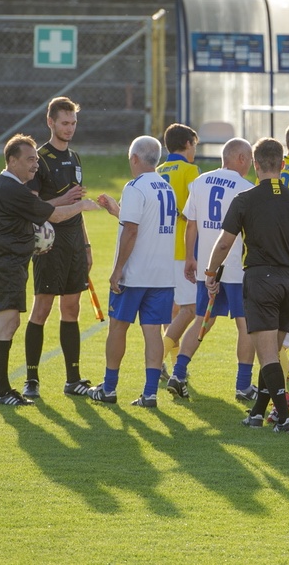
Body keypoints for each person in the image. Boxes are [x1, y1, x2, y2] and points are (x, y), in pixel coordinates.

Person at [204, 137, 289, 433]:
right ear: (282, 164)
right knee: (271, 356)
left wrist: (210, 272)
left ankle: (285, 419)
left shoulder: (245, 200)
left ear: (255, 164)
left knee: (266, 357)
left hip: (261, 281)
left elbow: (225, 243)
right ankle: (256, 414)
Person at [0, 134, 100, 405]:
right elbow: (54, 215)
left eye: (37, 158)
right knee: (7, 324)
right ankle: (2, 390)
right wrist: (82, 205)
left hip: (7, 262)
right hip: (5, 264)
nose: (35, 165)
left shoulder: (1, 185)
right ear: (12, 161)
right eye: (29, 160)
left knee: (7, 323)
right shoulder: (11, 189)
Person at [164, 138, 256, 402]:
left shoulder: (201, 181)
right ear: (240, 158)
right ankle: (242, 385)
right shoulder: (246, 188)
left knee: (203, 319)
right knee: (246, 324)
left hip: (208, 266)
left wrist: (191, 258)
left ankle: (178, 373)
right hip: (237, 266)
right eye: (248, 159)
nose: (250, 164)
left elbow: (191, 224)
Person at [88, 136, 177, 407]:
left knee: (118, 327)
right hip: (162, 274)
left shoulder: (135, 187)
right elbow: (144, 222)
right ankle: (150, 393)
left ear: (135, 159)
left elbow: (133, 230)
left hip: (135, 274)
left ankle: (110, 388)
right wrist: (118, 211)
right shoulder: (167, 188)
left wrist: (117, 270)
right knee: (152, 332)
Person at [24, 97, 92, 399]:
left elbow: (77, 206)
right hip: (49, 245)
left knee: (72, 308)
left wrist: (87, 244)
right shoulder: (38, 159)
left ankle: (73, 379)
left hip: (75, 242)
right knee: (42, 308)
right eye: (65, 123)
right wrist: (62, 201)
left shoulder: (75, 157)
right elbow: (32, 206)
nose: (70, 128)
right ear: (50, 122)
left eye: (73, 123)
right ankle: (31, 379)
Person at [155, 123, 201, 378]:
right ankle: (156, 359)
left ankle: (171, 367)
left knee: (173, 309)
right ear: (187, 144)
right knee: (191, 308)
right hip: (182, 249)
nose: (195, 149)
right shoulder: (190, 170)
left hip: (160, 247)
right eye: (194, 144)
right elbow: (193, 210)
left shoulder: (159, 170)